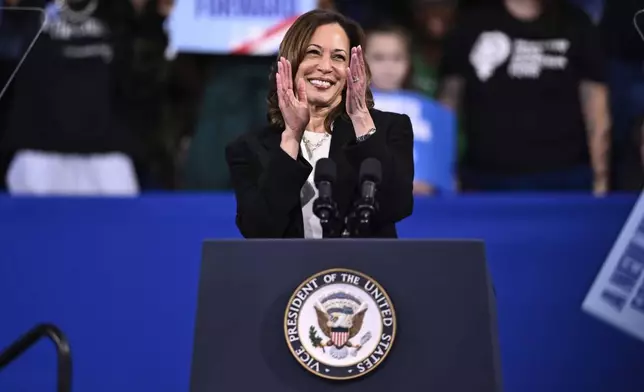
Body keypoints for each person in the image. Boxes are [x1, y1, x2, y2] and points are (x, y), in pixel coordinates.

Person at [225, 9, 414, 239]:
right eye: (313, 53)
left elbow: (396, 206)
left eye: (338, 57)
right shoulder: (248, 149)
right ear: (291, 61)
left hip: (363, 272)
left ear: (354, 69)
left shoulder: (389, 129)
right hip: (290, 274)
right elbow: (258, 231)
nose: (325, 66)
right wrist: (292, 137)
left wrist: (361, 118)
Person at [437, 0, 610, 194]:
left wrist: (600, 175)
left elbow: (595, 104)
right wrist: (444, 173)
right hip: (486, 178)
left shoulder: (575, 22)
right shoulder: (470, 23)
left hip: (565, 177)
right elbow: (448, 104)